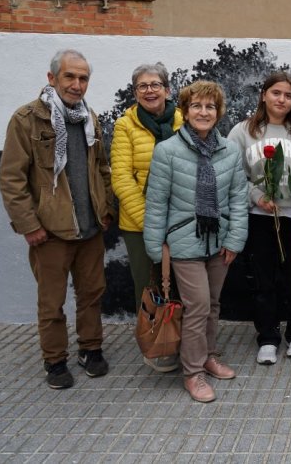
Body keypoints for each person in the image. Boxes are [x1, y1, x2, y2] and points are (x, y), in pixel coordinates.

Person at [0, 49, 115, 389]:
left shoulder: (90, 117)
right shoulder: (26, 119)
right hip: (49, 233)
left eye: (83, 78)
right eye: (70, 77)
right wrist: (29, 225)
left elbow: (102, 168)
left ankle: (90, 350)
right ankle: (55, 361)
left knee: (92, 293)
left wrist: (106, 209)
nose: (77, 85)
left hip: (90, 229)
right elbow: (12, 178)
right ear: (52, 78)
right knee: (51, 302)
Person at [143, 80, 248, 403]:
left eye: (210, 107)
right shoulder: (167, 151)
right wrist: (154, 246)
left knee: (213, 304)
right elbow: (157, 202)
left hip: (219, 242)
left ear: (218, 112)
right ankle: (192, 372)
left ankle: (208, 354)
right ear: (185, 111)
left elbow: (238, 199)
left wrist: (235, 239)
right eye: (197, 106)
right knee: (198, 305)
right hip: (184, 242)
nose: (204, 112)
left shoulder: (230, 151)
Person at [227, 72, 291, 366]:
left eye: (288, 95)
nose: (282, 100)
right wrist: (256, 196)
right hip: (260, 218)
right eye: (276, 93)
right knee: (264, 280)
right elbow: (233, 174)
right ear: (263, 94)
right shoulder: (243, 131)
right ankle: (268, 337)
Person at [111, 62, 183, 373]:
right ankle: (153, 343)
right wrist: (151, 222)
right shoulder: (125, 125)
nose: (150, 90)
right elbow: (122, 179)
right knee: (148, 285)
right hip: (138, 224)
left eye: (155, 84)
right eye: (143, 86)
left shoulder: (183, 121)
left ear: (168, 90)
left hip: (180, 221)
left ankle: (179, 340)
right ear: (136, 92)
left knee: (179, 284)